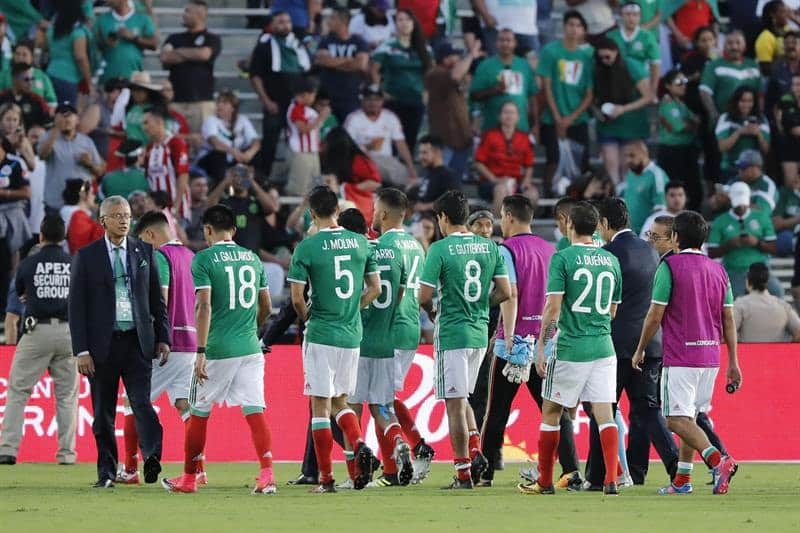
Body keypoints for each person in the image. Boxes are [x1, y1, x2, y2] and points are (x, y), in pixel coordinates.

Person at [162, 204, 275, 494]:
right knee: (254, 409)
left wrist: (200, 350)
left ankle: (190, 478)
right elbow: (267, 307)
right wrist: (253, 330)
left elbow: (204, 305)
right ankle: (266, 475)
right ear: (234, 230)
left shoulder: (203, 260)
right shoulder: (252, 258)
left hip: (218, 349)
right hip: (250, 347)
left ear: (208, 230)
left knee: (199, 411)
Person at [633, 210, 740, 495]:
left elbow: (655, 315)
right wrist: (734, 362)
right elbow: (728, 318)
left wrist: (641, 348)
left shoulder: (669, 267)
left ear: (676, 237)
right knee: (689, 419)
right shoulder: (719, 270)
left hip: (681, 356)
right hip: (711, 357)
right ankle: (682, 480)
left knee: (674, 420)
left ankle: (718, 461)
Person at [519, 201, 622, 496]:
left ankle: (545, 481)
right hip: (604, 346)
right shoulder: (611, 260)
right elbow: (613, 310)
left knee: (551, 412)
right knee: (604, 413)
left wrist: (541, 345)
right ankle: (611, 481)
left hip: (570, 347)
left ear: (570, 226)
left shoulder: (563, 258)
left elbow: (552, 307)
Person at [479, 194, 582, 489]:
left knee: (496, 411)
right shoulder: (550, 250)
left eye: (501, 215)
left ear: (509, 216)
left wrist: (508, 337)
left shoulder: (506, 251)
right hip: (545, 343)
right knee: (553, 409)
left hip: (514, 343)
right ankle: (571, 470)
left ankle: (484, 473)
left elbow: (509, 294)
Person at [68, 195, 170, 489]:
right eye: (117, 215)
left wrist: (163, 337)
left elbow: (155, 300)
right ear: (103, 221)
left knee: (141, 403)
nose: (124, 220)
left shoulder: (144, 251)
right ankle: (107, 473)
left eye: (127, 215)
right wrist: (82, 350)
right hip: (102, 346)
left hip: (138, 342)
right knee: (103, 414)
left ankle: (151, 456)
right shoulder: (86, 257)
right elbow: (77, 307)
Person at [287, 185, 381, 492]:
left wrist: (310, 317)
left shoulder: (308, 247)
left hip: (322, 334)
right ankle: (357, 444)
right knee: (341, 402)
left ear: (312, 213)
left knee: (320, 406)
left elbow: (298, 299)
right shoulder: (360, 243)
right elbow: (375, 288)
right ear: (338, 211)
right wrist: (352, 309)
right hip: (351, 335)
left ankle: (325, 478)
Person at [418, 190, 511, 489]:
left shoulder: (440, 249)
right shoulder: (490, 248)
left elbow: (424, 295)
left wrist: (433, 311)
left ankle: (462, 472)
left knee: (455, 404)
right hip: (479, 334)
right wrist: (482, 306)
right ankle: (474, 451)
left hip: (453, 333)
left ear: (443, 218)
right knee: (465, 400)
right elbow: (505, 292)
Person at [592, 198, 679, 486]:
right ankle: (664, 466)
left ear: (604, 223)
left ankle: (597, 476)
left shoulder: (606, 254)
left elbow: (604, 302)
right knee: (646, 410)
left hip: (615, 345)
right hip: (651, 342)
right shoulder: (651, 251)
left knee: (603, 410)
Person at [117, 210, 199, 484]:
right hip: (190, 343)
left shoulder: (160, 257)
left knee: (133, 401)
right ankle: (198, 470)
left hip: (167, 343)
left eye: (141, 240)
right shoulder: (191, 256)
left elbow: (159, 301)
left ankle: (130, 469)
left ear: (150, 234)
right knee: (185, 405)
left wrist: (150, 339)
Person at [346, 194, 416, 488]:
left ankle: (358, 473)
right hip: (390, 339)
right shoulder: (408, 248)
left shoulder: (363, 251)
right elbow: (399, 293)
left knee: (353, 406)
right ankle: (398, 440)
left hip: (360, 340)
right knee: (382, 407)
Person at [0, 215, 75, 466]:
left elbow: (20, 293)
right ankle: (67, 454)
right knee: (66, 396)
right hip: (68, 333)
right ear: (64, 237)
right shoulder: (72, 263)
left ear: (41, 236)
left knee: (18, 391)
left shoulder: (29, 263)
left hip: (37, 331)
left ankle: (8, 449)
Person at [248, 10, 311, 180]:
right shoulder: (264, 45)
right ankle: (264, 179)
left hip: (299, 105)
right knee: (270, 143)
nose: (285, 25)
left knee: (302, 144)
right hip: (275, 103)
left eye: (288, 21)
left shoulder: (299, 44)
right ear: (272, 25)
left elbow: (310, 72)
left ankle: (300, 179)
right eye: (281, 21)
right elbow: (255, 75)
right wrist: (266, 100)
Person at [537, 11, 595, 193]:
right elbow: (546, 87)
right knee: (553, 160)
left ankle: (579, 204)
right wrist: (558, 118)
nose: (574, 29)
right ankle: (548, 202)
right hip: (552, 118)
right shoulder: (550, 51)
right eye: (571, 24)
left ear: (584, 31)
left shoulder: (586, 57)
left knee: (583, 163)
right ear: (564, 27)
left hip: (578, 119)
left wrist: (570, 118)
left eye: (578, 26)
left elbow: (589, 93)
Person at [593, 37, 653, 183]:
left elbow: (648, 96)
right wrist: (596, 112)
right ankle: (616, 196)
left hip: (632, 125)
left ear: (616, 52)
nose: (605, 60)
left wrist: (623, 109)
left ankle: (627, 198)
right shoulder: (597, 68)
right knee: (611, 164)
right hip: (608, 125)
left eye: (607, 56)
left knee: (629, 168)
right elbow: (591, 97)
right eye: (601, 58)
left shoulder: (631, 66)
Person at [371, 9, 433, 149]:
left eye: (408, 19)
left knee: (410, 140)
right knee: (391, 141)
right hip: (393, 99)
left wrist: (427, 92)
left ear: (414, 23)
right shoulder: (387, 46)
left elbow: (430, 72)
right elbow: (373, 69)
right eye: (400, 20)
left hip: (415, 99)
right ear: (395, 23)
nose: (404, 23)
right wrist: (380, 91)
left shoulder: (424, 48)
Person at [709, 181, 782, 298]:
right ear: (730, 200)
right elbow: (711, 252)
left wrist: (756, 243)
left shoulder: (761, 217)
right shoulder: (720, 221)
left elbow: (774, 248)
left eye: (743, 203)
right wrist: (729, 245)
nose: (741, 207)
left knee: (777, 291)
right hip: (734, 271)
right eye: (738, 204)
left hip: (761, 271)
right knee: (733, 300)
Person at [159, 0, 222, 133]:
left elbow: (204, 54)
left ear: (200, 15)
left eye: (188, 11)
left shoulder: (212, 38)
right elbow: (165, 57)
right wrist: (192, 53)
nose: (184, 15)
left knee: (201, 145)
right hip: (176, 101)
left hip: (202, 102)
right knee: (175, 140)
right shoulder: (174, 38)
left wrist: (178, 52)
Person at [425, 39, 481, 181]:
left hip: (460, 138)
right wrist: (471, 55)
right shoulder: (436, 74)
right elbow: (456, 75)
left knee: (454, 182)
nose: (458, 59)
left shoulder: (447, 75)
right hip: (445, 141)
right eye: (455, 56)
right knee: (442, 181)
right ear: (446, 58)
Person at [344, 84, 417, 188]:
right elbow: (346, 146)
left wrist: (410, 167)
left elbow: (400, 143)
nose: (373, 103)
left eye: (377, 99)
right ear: (362, 100)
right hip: (363, 160)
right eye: (369, 99)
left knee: (402, 171)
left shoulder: (390, 117)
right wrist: (367, 147)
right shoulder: (353, 118)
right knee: (390, 172)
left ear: (382, 101)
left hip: (387, 159)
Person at [470, 29, 539, 136]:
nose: (505, 43)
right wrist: (494, 90)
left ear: (515, 43)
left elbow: (533, 97)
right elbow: (474, 96)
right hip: (492, 129)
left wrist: (535, 124)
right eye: (501, 40)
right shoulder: (485, 66)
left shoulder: (524, 66)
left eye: (509, 40)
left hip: (520, 129)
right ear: (496, 43)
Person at [39, 101, 105, 211]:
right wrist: (56, 129)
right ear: (55, 119)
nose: (65, 118)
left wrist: (89, 165)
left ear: (77, 120)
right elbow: (42, 155)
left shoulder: (86, 141)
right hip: (55, 203)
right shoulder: (48, 137)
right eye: (61, 114)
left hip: (82, 204)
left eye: (69, 114)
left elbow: (99, 172)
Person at [474, 101, 537, 214]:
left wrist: (526, 180)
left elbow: (529, 165)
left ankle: (522, 229)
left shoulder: (524, 138)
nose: (509, 115)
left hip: (516, 182)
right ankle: (498, 229)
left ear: (518, 117)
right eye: (506, 112)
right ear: (499, 116)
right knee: (502, 189)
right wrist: (494, 179)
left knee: (533, 194)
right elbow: (478, 163)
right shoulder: (489, 135)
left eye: (512, 113)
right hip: (491, 183)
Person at [700, 31, 762, 138]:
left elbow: (760, 94)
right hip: (723, 125)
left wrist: (759, 117)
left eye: (738, 43)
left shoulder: (753, 65)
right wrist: (714, 115)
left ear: (745, 46)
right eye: (729, 43)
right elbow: (705, 91)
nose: (734, 47)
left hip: (749, 125)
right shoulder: (713, 65)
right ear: (723, 46)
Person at [207, 165, 278, 254]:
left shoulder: (256, 202)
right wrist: (225, 182)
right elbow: (208, 208)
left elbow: (271, 208)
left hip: (251, 257)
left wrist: (252, 182)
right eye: (236, 176)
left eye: (244, 176)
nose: (240, 179)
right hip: (227, 256)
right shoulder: (224, 202)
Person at [196, 90, 261, 187]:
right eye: (218, 102)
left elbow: (255, 141)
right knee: (219, 155)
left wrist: (250, 153)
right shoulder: (211, 120)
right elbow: (215, 143)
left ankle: (251, 186)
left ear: (233, 107)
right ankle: (224, 187)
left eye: (224, 103)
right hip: (210, 159)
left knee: (256, 154)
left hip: (233, 159)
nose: (219, 105)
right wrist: (235, 152)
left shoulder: (242, 120)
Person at [315, 6, 369, 122]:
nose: (329, 22)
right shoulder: (325, 41)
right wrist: (348, 60)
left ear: (343, 21)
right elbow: (323, 60)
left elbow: (360, 65)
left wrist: (334, 63)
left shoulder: (359, 42)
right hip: (327, 97)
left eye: (333, 18)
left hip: (350, 97)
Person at [657, 70, 702, 209]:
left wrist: (693, 122)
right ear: (668, 85)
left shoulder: (681, 104)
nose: (683, 85)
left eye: (685, 82)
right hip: (672, 152)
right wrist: (692, 123)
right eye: (678, 82)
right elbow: (681, 127)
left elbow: (697, 121)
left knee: (693, 188)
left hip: (687, 150)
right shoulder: (667, 105)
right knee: (675, 188)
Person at [321, 127, 382, 223]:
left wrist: (346, 188)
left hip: (361, 205)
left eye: (326, 143)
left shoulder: (358, 160)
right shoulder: (330, 160)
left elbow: (375, 183)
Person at [143, 106, 190, 221]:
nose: (144, 128)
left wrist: (176, 207)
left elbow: (183, 175)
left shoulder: (175, 143)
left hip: (176, 211)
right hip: (157, 213)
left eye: (146, 123)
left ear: (159, 122)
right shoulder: (149, 148)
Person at [735, 261, 800, 342]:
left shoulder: (740, 305)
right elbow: (798, 332)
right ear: (767, 282)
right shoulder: (783, 305)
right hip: (779, 353)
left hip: (747, 353)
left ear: (748, 281)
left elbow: (727, 332)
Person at [95, 0, 158, 83]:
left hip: (134, 77)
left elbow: (154, 44)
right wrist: (106, 43)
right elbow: (94, 46)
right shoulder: (101, 20)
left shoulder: (142, 19)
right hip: (108, 77)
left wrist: (134, 38)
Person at [715, 86, 771, 179]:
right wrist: (739, 132)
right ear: (736, 101)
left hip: (755, 171)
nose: (746, 105)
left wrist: (758, 134)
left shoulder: (762, 119)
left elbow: (766, 150)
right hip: (731, 169)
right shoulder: (726, 118)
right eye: (743, 101)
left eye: (750, 101)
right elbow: (722, 147)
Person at [284, 78, 327, 196]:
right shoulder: (295, 109)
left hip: (312, 153)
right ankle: (295, 213)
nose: (314, 97)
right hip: (301, 155)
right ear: (304, 94)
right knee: (298, 188)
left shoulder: (307, 110)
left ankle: (311, 213)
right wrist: (321, 118)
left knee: (316, 187)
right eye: (313, 94)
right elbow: (302, 129)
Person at [44, 0, 92, 104]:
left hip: (50, 74)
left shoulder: (54, 27)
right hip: (68, 79)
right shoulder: (77, 31)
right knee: (67, 115)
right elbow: (80, 57)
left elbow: (46, 46)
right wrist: (90, 82)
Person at [608, 2, 661, 93]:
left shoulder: (647, 37)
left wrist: (653, 89)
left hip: (642, 80)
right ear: (621, 16)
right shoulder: (611, 36)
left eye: (635, 15)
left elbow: (655, 64)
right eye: (628, 14)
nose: (631, 18)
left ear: (640, 17)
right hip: (616, 79)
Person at [621, 141, 669, 234]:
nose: (628, 160)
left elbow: (661, 209)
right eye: (626, 156)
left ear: (644, 154)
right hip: (631, 233)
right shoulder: (631, 173)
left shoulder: (656, 175)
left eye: (632, 155)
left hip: (647, 236)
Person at [0, 40, 57, 110]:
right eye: (17, 54)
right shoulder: (4, 74)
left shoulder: (42, 76)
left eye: (24, 55)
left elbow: (52, 102)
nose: (20, 58)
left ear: (32, 57)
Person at [414, 134, 461, 213]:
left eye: (424, 153)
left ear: (438, 152)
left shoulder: (448, 176)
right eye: (420, 153)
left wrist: (425, 207)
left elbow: (453, 203)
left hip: (433, 222)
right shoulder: (428, 172)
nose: (420, 157)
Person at [472, 0, 539, 55]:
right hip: (496, 27)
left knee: (532, 66)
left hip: (528, 28)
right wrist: (486, 15)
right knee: (497, 66)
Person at [0, 63, 52, 130]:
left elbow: (48, 126)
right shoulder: (2, 98)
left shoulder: (38, 100)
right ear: (14, 79)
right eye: (26, 79)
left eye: (32, 79)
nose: (30, 83)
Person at [726, 149, 778, 214]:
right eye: (739, 167)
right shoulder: (736, 180)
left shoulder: (767, 185)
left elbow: (762, 211)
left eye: (743, 167)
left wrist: (734, 201)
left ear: (756, 168)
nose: (740, 170)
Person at [59, 179, 103, 255]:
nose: (94, 196)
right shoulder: (74, 214)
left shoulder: (67, 211)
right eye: (92, 193)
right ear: (83, 194)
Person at [775, 72, 800, 186]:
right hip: (790, 148)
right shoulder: (786, 100)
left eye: (799, 84)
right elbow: (792, 128)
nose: (796, 88)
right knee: (791, 185)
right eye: (794, 84)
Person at [755, 1, 791, 75]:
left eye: (787, 11)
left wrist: (795, 18)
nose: (787, 15)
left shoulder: (787, 30)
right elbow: (765, 69)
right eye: (783, 12)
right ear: (772, 15)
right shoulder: (765, 37)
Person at [773, 172, 800, 256]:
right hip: (790, 234)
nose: (796, 179)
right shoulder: (784, 193)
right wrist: (797, 219)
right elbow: (776, 224)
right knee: (784, 240)